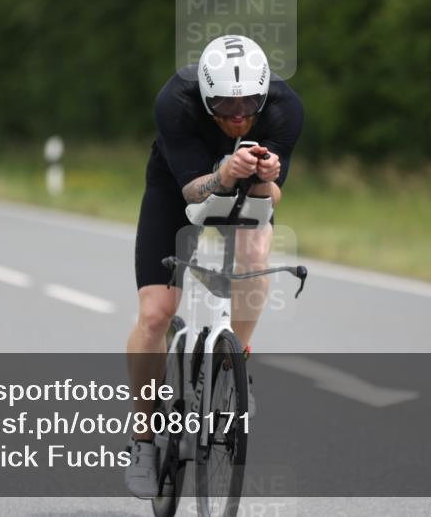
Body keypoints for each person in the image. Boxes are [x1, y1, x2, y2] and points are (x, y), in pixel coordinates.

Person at [125, 35, 303, 498]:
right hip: (179, 183)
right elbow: (191, 196)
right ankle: (143, 440)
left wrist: (264, 179)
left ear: (265, 96)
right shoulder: (175, 102)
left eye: (249, 106)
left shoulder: (285, 109)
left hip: (245, 186)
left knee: (256, 254)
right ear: (205, 97)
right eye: (225, 106)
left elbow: (274, 199)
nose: (239, 116)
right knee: (156, 314)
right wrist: (225, 174)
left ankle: (236, 361)